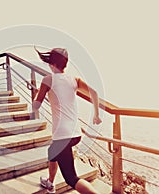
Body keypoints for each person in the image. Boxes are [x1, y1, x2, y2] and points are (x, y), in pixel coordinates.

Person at [32, 47, 102, 194]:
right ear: (65, 64)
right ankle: (50, 182)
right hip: (76, 134)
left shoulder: (47, 80)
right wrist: (96, 115)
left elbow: (35, 106)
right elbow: (94, 92)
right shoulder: (74, 80)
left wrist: (38, 93)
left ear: (51, 63)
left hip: (62, 136)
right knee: (52, 152)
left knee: (71, 178)